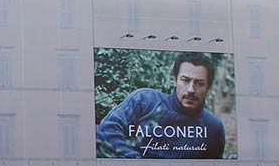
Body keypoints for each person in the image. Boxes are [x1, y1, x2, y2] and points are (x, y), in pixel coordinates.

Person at [96, 52, 225, 159]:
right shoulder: (144, 100)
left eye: (199, 83)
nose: (191, 89)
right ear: (175, 80)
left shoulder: (213, 127)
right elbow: (107, 129)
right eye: (185, 80)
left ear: (208, 87)